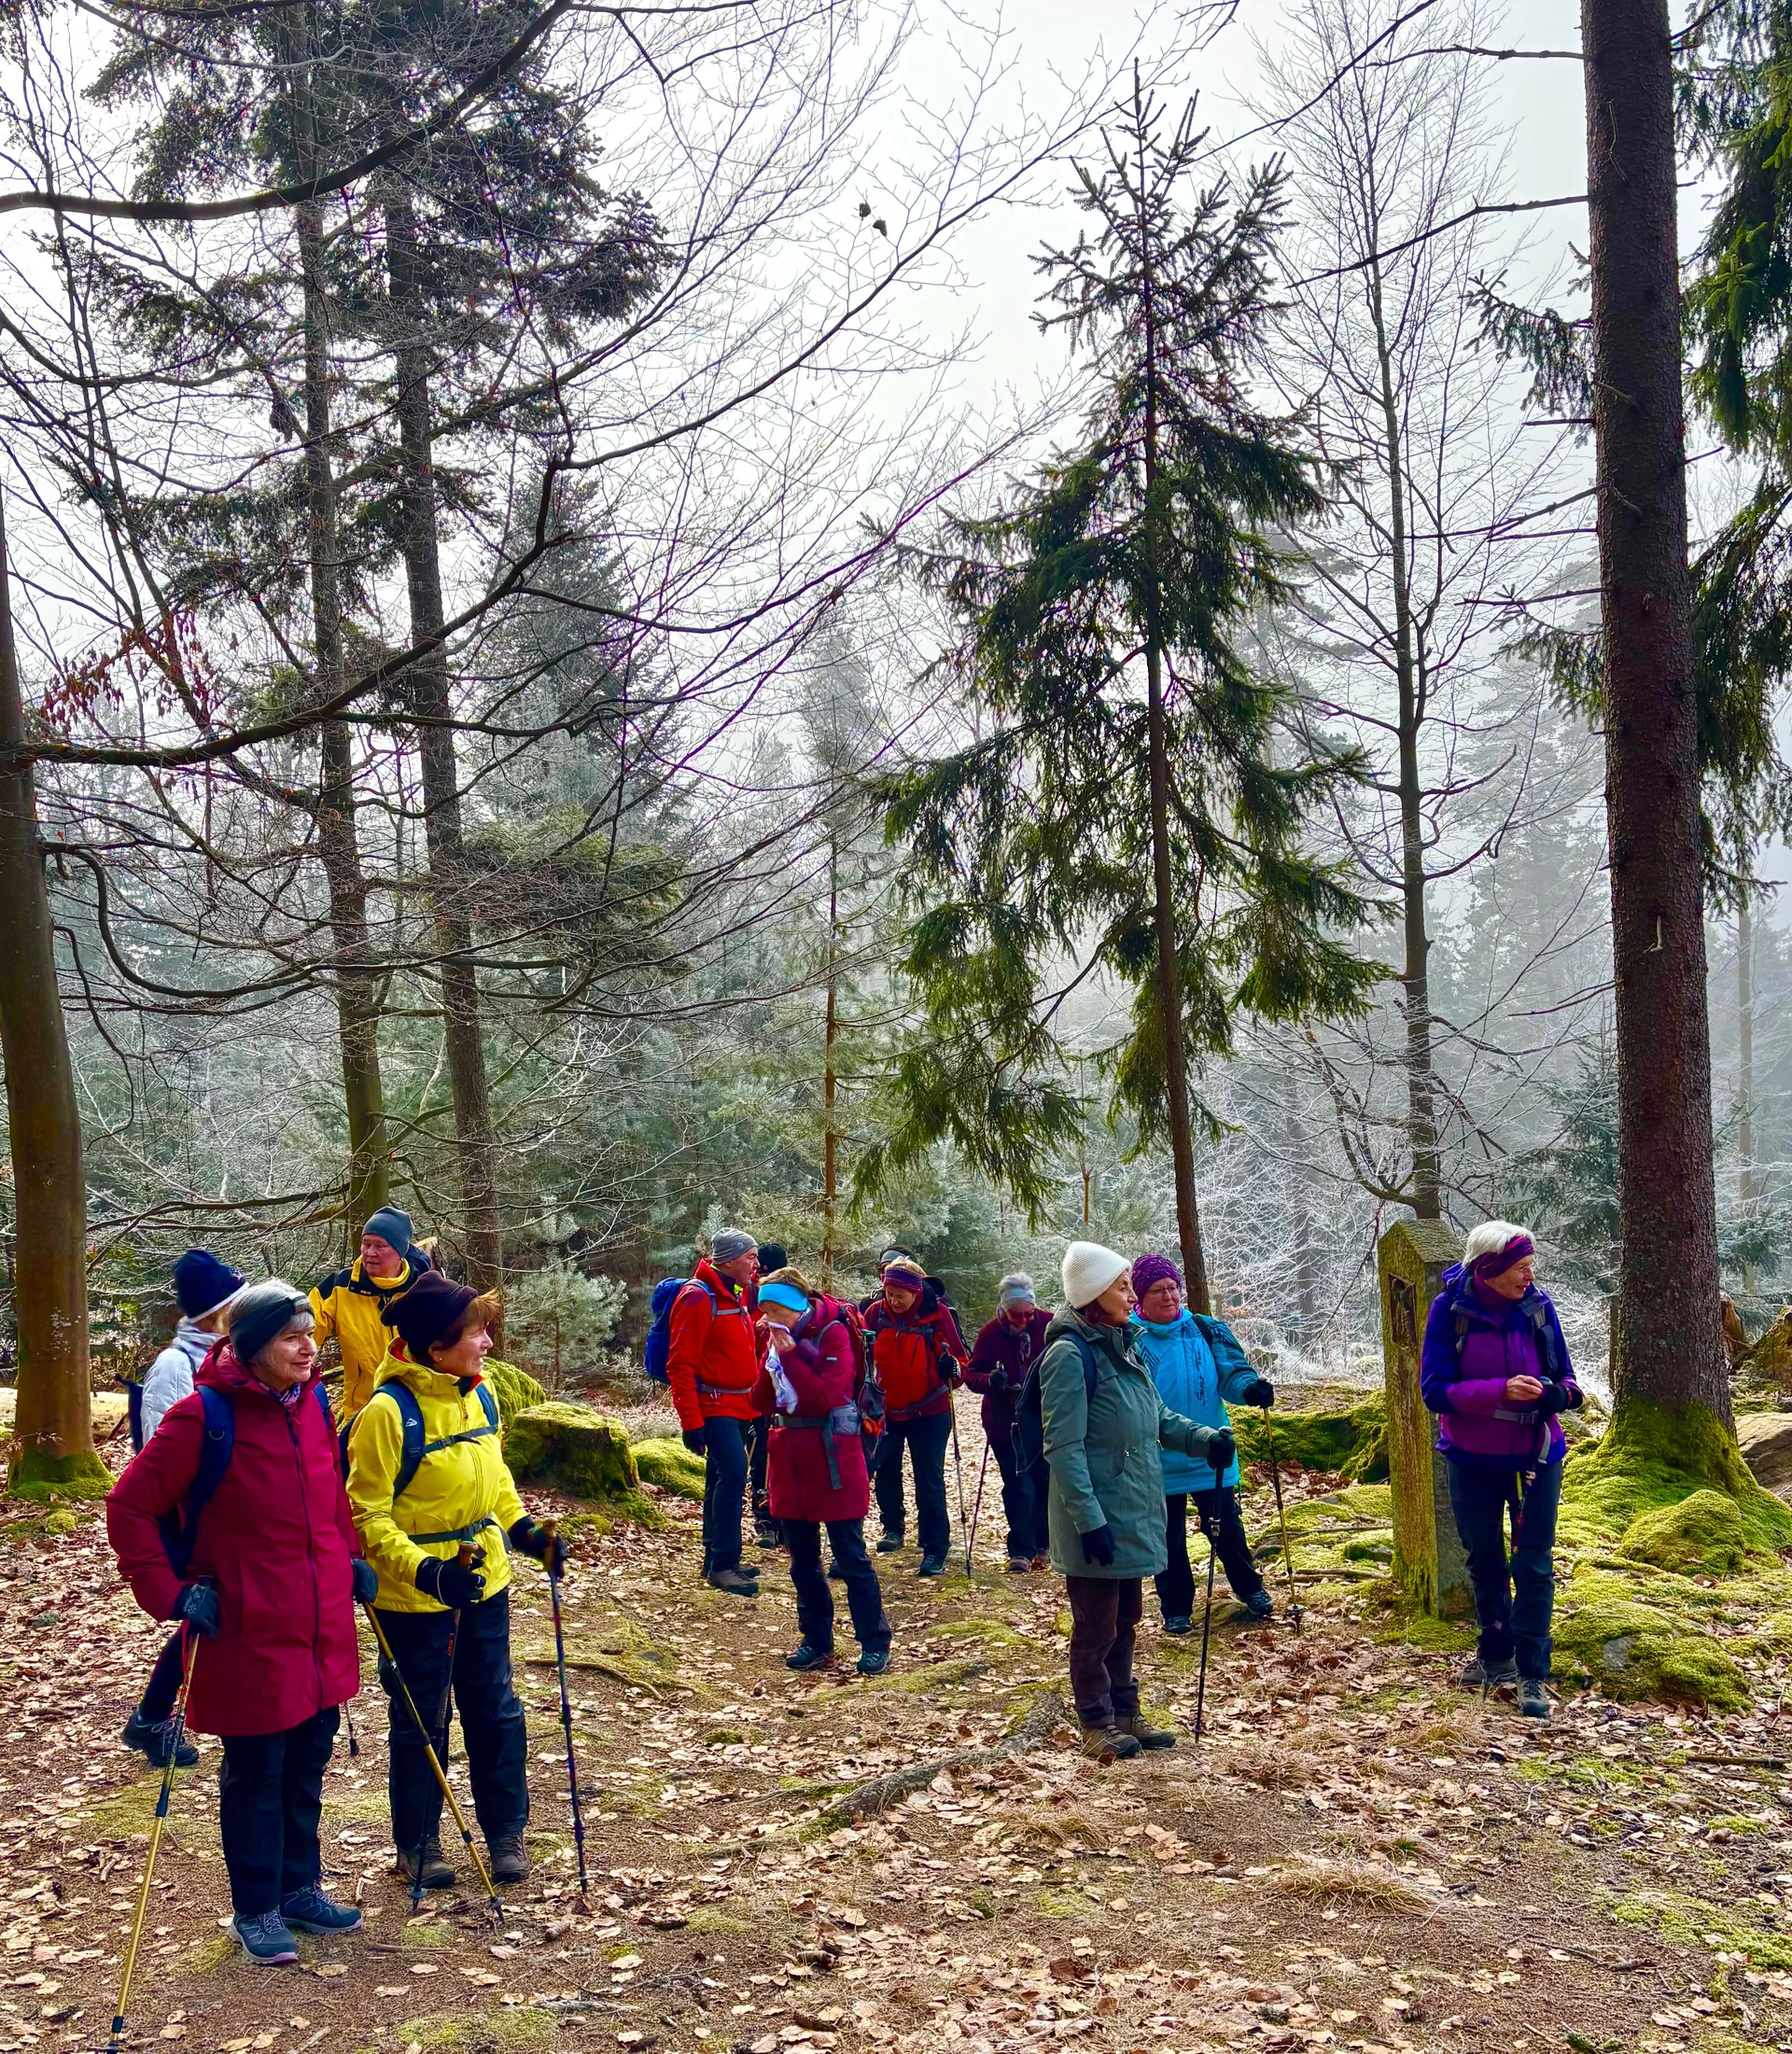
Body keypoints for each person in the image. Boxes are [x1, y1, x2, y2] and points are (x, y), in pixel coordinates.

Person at [105, 1280, 371, 1964]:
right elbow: (129, 1506)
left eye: (311, 1333)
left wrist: (351, 1558)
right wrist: (169, 1593)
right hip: (247, 1624)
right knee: (257, 1766)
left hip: (319, 1623)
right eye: (290, 1336)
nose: (309, 1347)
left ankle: (299, 1888)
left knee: (310, 1754)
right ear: (252, 1349)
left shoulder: (313, 1402)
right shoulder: (204, 1417)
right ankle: (255, 1907)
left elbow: (329, 1493)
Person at [346, 1269, 564, 1887]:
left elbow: (493, 1478)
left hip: (484, 1579)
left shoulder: (480, 1391)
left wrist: (524, 1532)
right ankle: (418, 1844)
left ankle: (505, 1833)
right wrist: (427, 1572)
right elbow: (367, 1515)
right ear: (437, 1345)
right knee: (422, 1717)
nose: (488, 1342)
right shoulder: (387, 1413)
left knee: (494, 1708)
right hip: (414, 1596)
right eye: (476, 1333)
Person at [1040, 1241, 1228, 1761]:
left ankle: (1126, 1714)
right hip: (1096, 1517)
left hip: (1131, 1508)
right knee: (1096, 1626)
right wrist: (1088, 1521)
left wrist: (1204, 1439)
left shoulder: (1123, 1344)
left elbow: (1156, 1418)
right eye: (1122, 1286)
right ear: (1094, 1294)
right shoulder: (1069, 1355)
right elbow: (1063, 1446)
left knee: (1125, 1619)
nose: (1131, 1295)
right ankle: (1096, 1722)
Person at [1420, 1221, 1580, 1721]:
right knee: (1484, 1557)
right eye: (1520, 1268)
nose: (1529, 1278)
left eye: (1531, 1268)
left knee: (1533, 1562)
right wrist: (1497, 1391)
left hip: (1537, 1454)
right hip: (1473, 1456)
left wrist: (1553, 1395)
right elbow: (1435, 1390)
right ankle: (1495, 1656)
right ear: (1488, 1270)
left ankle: (1533, 1671)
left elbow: (1570, 1385)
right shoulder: (1450, 1311)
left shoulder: (1538, 1308)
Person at [122, 1248, 248, 1769]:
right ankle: (155, 1718)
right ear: (216, 1312)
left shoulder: (233, 1356)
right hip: (193, 1520)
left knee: (212, 1619)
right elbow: (157, 1449)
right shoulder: (176, 1365)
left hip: (231, 1516)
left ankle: (150, 1719)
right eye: (235, 1304)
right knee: (206, 1617)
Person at [1128, 1253, 1276, 1631]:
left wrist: (1251, 1389)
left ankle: (1250, 1588)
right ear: (1140, 1298)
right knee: (1169, 1537)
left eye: (1173, 1288)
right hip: (1157, 1457)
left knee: (1227, 1526)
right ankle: (1175, 1608)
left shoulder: (1206, 1329)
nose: (1169, 1296)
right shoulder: (1127, 1337)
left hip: (1213, 1452)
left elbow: (1233, 1372)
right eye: (1157, 1290)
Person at [755, 1272, 891, 1674]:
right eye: (764, 1312)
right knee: (802, 1561)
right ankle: (816, 1639)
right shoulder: (774, 1337)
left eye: (776, 1310)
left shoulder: (833, 1333)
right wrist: (767, 1361)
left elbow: (824, 1397)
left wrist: (792, 1355)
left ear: (796, 1307)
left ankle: (874, 1641)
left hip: (833, 1456)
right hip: (789, 1458)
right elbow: (761, 1401)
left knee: (851, 1557)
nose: (769, 1318)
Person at [665, 1228, 766, 1596]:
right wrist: (691, 1422)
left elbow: (729, 1350)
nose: (756, 1264)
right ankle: (724, 1565)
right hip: (713, 1404)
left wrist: (759, 1333)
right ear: (728, 1260)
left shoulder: (733, 1294)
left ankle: (717, 1560)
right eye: (750, 1257)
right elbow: (680, 1364)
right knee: (734, 1474)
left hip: (738, 1404)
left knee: (721, 1478)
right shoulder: (697, 1297)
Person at [862, 1253, 967, 1576]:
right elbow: (860, 1352)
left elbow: (961, 1364)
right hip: (887, 1409)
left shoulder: (937, 1315)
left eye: (900, 1295)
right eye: (888, 1293)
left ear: (916, 1293)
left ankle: (935, 1546)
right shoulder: (875, 1313)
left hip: (930, 1410)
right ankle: (893, 1529)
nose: (893, 1300)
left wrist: (953, 1368)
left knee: (929, 1478)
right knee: (886, 1470)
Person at [965, 1273, 1052, 1570]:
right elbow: (971, 1375)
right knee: (1018, 1485)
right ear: (1003, 1311)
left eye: (1029, 1313)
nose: (1025, 1320)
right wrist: (991, 1380)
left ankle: (1044, 1543)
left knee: (1045, 1482)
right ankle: (1020, 1551)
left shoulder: (1049, 1324)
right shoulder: (991, 1333)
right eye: (1018, 1315)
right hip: (1005, 1422)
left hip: (1044, 1421)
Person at [310, 1206, 431, 1417]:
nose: (370, 1253)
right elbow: (303, 1332)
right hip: (362, 1412)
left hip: (420, 1410)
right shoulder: (338, 1288)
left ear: (400, 1251)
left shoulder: (423, 1289)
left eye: (380, 1246)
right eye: (366, 1244)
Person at [747, 1243, 789, 1546]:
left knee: (787, 1458)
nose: (762, 1277)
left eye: (767, 1271)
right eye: (760, 1271)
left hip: (788, 1391)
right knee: (760, 1458)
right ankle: (765, 1523)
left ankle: (787, 1521)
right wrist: (756, 1326)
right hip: (758, 1388)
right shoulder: (746, 1294)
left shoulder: (791, 1295)